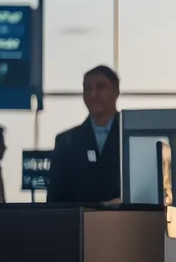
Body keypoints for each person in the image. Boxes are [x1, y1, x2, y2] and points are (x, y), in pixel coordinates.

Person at [46, 65, 121, 204]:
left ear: (116, 91)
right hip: (78, 223)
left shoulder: (132, 138)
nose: (93, 95)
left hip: (126, 223)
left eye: (100, 87)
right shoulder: (65, 142)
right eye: (88, 88)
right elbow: (55, 199)